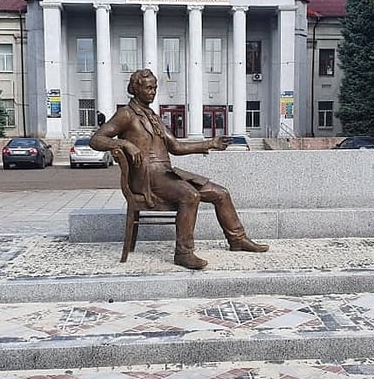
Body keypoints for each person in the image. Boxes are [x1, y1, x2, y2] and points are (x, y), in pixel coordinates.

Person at [90, 69, 268, 270]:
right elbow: (96, 140)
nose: (153, 92)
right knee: (190, 195)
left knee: (221, 193)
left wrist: (210, 143)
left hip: (166, 174)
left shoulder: (153, 117)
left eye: (155, 87)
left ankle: (237, 239)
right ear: (135, 88)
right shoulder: (126, 114)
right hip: (147, 177)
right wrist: (124, 144)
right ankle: (183, 253)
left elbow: (176, 147)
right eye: (148, 88)